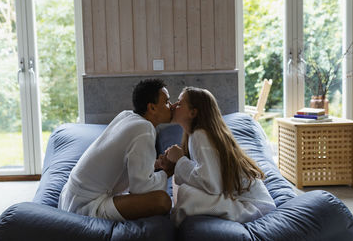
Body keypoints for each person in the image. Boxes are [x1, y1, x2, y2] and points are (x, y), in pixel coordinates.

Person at [58, 79, 175, 221]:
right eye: (167, 102)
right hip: (86, 206)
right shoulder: (144, 129)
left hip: (69, 197)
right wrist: (168, 171)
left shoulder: (126, 115)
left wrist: (154, 165)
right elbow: (141, 188)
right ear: (152, 108)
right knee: (162, 200)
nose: (172, 106)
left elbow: (123, 161)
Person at [164, 86, 276, 226]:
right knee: (180, 185)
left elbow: (211, 185)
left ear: (193, 112)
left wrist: (180, 159)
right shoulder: (193, 136)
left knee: (186, 193)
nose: (173, 106)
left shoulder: (200, 135)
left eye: (179, 103)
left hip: (253, 207)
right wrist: (175, 163)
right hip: (249, 203)